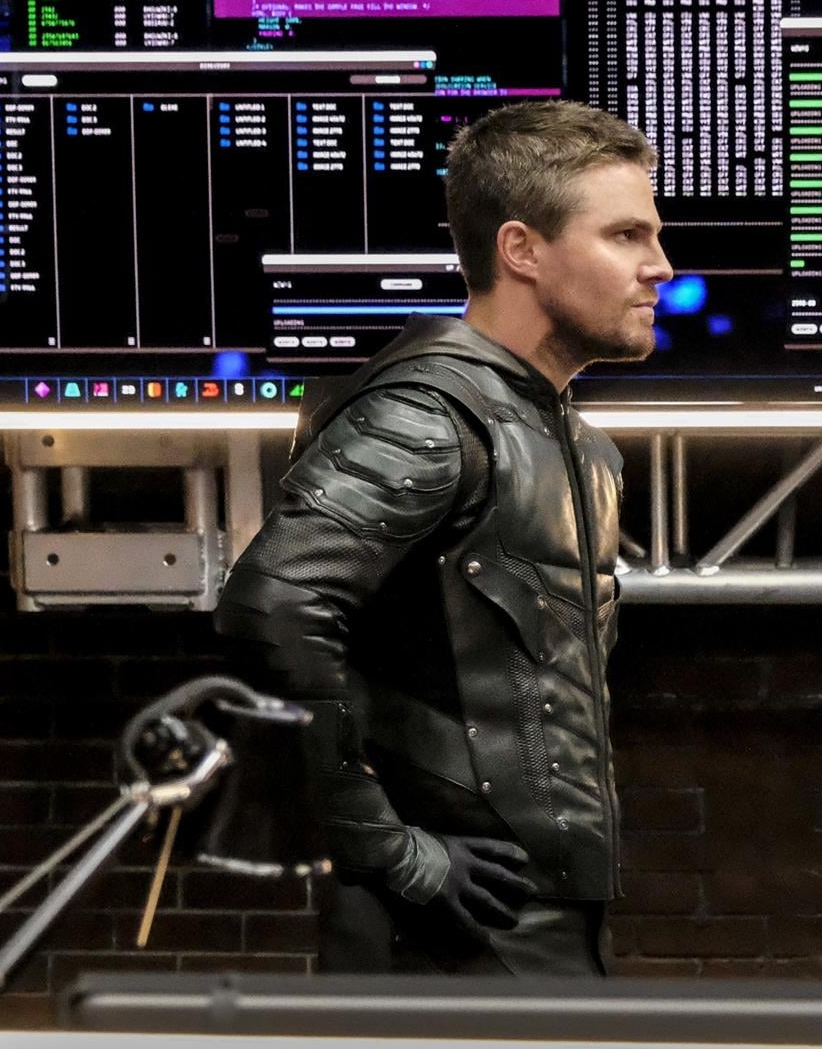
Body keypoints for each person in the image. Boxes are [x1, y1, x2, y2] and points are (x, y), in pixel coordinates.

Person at [215, 101, 674, 975]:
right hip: (443, 932)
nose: (660, 266)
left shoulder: (579, 444)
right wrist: (388, 851)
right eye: (625, 235)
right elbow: (271, 603)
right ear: (521, 250)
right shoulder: (428, 415)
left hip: (538, 919)